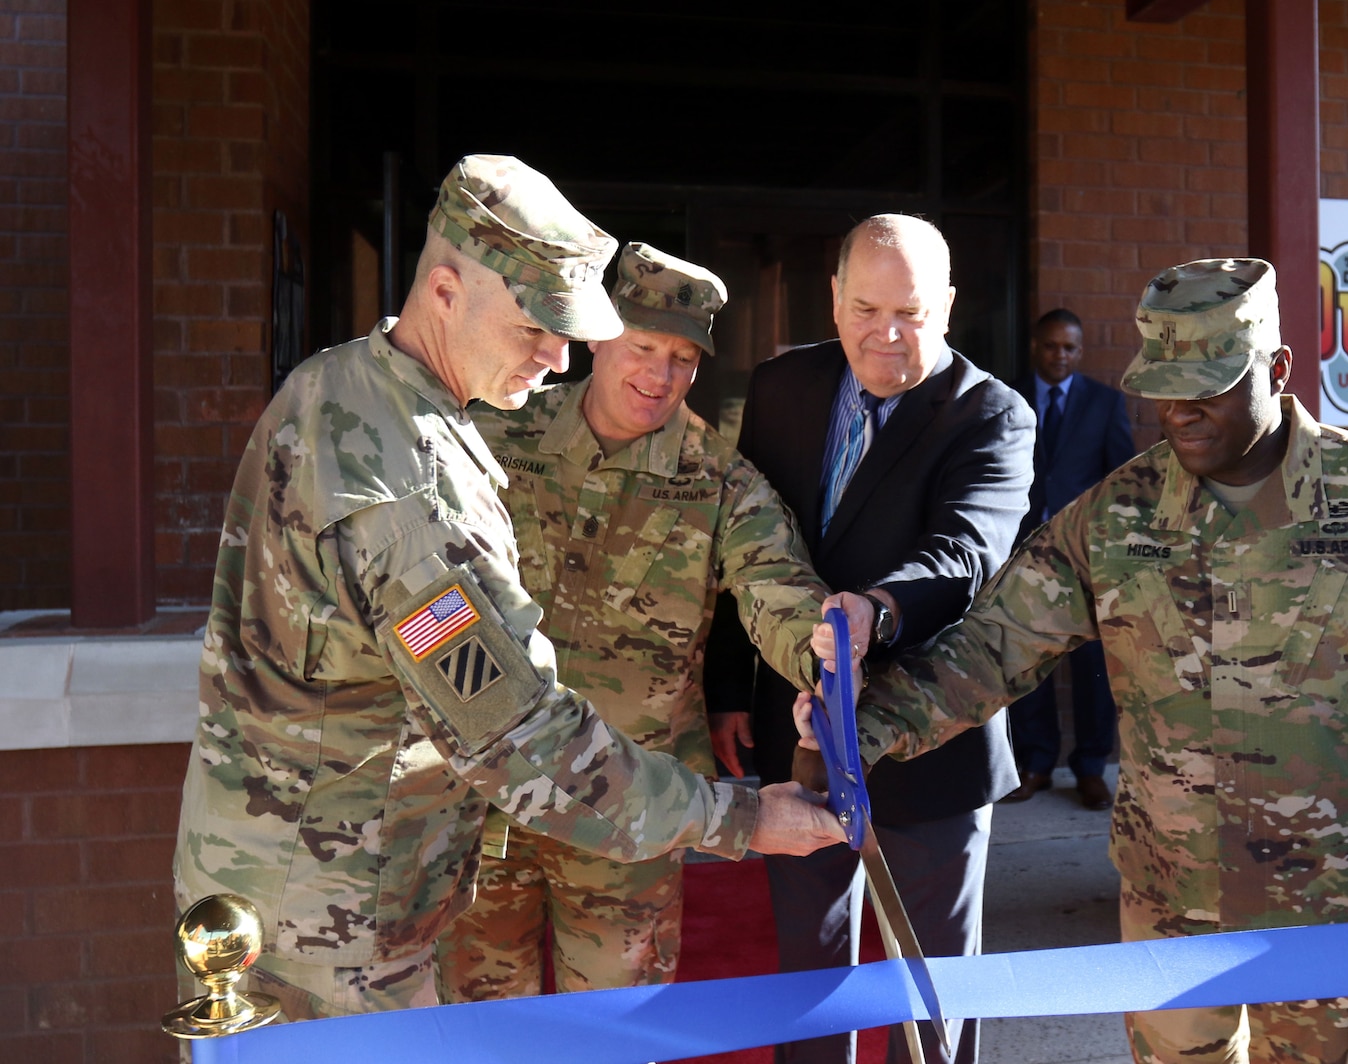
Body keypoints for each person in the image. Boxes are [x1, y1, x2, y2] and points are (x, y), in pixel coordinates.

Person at [813, 258, 1348, 1064]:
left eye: (1209, 385)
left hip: (1333, 905)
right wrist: (854, 732)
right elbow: (991, 648)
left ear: (1278, 369)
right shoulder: (1115, 516)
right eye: (1163, 384)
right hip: (1169, 901)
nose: (1180, 411)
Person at [171, 156, 843, 1022]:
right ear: (446, 291)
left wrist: (820, 645)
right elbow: (519, 739)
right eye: (537, 325)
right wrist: (742, 819)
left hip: (312, 873)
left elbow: (768, 581)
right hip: (330, 918)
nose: (557, 356)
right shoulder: (408, 485)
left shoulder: (344, 382)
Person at [434, 243, 871, 1000]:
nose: (660, 376)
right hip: (488, 797)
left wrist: (819, 647)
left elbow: (775, 586)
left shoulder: (719, 479)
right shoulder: (500, 435)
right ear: (599, 338)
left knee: (613, 1030)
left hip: (628, 812)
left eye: (683, 358)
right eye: (643, 348)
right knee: (477, 1029)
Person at [704, 213, 1035, 1064]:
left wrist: (877, 612)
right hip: (800, 727)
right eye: (865, 309)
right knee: (808, 984)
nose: (886, 335)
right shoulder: (782, 386)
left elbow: (965, 552)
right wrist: (728, 693)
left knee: (931, 994)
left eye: (912, 314)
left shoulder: (991, 414)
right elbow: (742, 542)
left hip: (935, 741)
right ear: (834, 298)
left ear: (950, 306)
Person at [1001, 308, 1134, 810]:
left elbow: (1122, 482)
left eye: (1070, 348)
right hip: (1024, 555)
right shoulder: (1006, 397)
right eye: (1052, 346)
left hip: (1087, 559)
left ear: (1081, 351)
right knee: (1029, 664)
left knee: (1092, 667)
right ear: (1036, 346)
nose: (1060, 355)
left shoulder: (1104, 403)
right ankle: (1035, 763)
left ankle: (1090, 767)